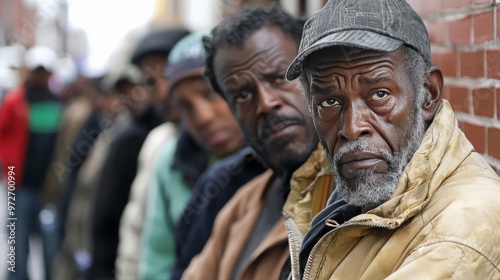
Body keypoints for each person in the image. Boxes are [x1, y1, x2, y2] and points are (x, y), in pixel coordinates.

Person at [285, 0, 500, 278]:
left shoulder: (460, 230)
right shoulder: (342, 194)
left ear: (428, 94)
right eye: (329, 102)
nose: (352, 127)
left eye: (379, 95)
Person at [182, 6, 332, 280]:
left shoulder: (359, 194)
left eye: (280, 77)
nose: (266, 103)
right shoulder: (241, 207)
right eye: (242, 96)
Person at [138, 32, 244, 280]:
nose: (203, 116)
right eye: (185, 106)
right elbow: (157, 262)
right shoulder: (170, 161)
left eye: (209, 93)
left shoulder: (276, 157)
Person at [0, 45, 61, 280]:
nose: (39, 75)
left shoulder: (58, 102)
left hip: (48, 187)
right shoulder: (15, 101)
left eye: (44, 71)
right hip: (19, 182)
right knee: (17, 238)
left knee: (50, 242)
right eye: (36, 70)